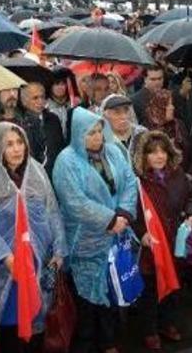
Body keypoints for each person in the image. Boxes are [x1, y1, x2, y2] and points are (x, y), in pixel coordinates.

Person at [0, 122, 67, 352]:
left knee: (37, 319)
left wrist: (59, 248)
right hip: (7, 267)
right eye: (9, 144)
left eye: (19, 142)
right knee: (11, 324)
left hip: (38, 260)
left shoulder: (37, 171)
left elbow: (52, 210)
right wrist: (5, 256)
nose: (16, 149)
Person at [52, 107, 138, 353]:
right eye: (90, 133)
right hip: (85, 240)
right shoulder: (67, 160)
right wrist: (109, 220)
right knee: (86, 299)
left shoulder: (113, 151)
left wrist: (123, 214)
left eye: (100, 130)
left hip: (116, 235)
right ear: (78, 134)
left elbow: (130, 182)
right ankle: (86, 344)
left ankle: (109, 341)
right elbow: (74, 202)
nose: (97, 137)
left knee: (111, 291)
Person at [131, 131, 192, 350]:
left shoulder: (178, 174)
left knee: (174, 284)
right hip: (151, 244)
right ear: (144, 156)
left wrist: (191, 214)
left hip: (175, 240)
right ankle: (150, 330)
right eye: (152, 152)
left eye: (163, 151)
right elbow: (131, 212)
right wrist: (141, 233)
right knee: (150, 288)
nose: (159, 156)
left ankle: (167, 323)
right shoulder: (137, 181)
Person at [20, 82, 65, 175]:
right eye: (35, 98)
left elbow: (60, 147)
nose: (40, 101)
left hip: (56, 171)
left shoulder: (53, 119)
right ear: (24, 101)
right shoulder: (21, 123)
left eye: (42, 97)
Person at [142, 88, 190, 170]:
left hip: (184, 173)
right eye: (168, 104)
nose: (173, 107)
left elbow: (190, 151)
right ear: (160, 107)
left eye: (172, 104)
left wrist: (190, 173)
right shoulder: (147, 130)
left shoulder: (178, 124)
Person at [101, 94, 147, 161]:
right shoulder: (102, 139)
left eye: (126, 111)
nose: (124, 116)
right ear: (106, 116)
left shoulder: (141, 133)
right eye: (117, 112)